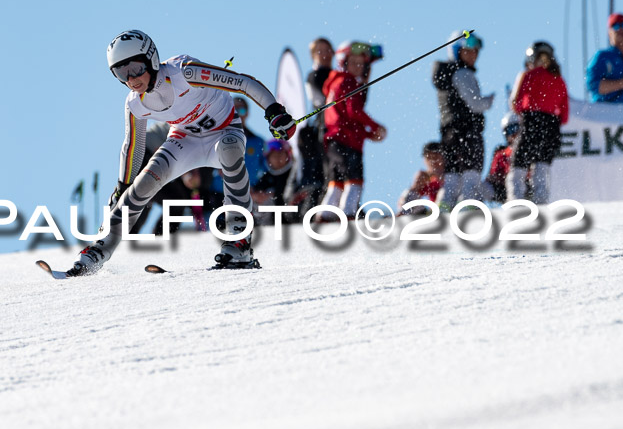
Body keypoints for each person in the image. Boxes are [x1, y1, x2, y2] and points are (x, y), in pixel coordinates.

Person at [67, 30, 296, 275]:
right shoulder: (135, 103)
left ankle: (238, 241)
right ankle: (98, 250)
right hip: (184, 140)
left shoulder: (185, 72)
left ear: (151, 59)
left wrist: (274, 110)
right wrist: (123, 186)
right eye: (121, 73)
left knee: (229, 152)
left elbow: (242, 82)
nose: (131, 79)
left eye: (135, 67)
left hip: (223, 131)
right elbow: (133, 146)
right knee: (142, 185)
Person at [318, 41, 387, 220]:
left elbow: (347, 119)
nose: (358, 67)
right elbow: (354, 111)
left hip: (334, 139)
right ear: (343, 62)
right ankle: (348, 213)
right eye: (354, 62)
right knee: (355, 179)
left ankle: (325, 214)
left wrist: (368, 134)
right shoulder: (348, 82)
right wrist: (375, 127)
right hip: (347, 141)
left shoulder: (335, 82)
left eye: (361, 63)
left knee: (337, 181)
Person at [432, 30, 494, 211]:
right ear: (456, 51)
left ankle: (444, 206)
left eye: (475, 51)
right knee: (471, 173)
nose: (473, 55)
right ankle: (468, 205)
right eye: (468, 51)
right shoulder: (463, 74)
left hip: (448, 133)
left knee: (452, 175)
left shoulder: (446, 76)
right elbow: (475, 103)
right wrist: (488, 102)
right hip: (468, 131)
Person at [508, 41, 569, 204]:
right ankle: (541, 200)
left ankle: (516, 200)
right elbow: (565, 114)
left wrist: (525, 109)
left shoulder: (528, 75)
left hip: (532, 122)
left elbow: (516, 102)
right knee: (543, 164)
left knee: (519, 161)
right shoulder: (559, 79)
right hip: (552, 126)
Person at [297, 38, 334, 212]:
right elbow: (320, 101)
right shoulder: (314, 76)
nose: (325, 54)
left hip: (337, 127)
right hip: (323, 127)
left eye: (327, 50)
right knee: (323, 170)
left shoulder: (337, 74)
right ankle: (315, 210)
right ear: (313, 55)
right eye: (320, 51)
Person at [479, 113, 521, 203]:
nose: (514, 133)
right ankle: (474, 211)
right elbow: (493, 175)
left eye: (516, 128)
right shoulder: (501, 153)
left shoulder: (529, 151)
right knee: (478, 186)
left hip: (524, 187)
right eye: (510, 130)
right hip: (504, 189)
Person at [586, 12, 623, 103]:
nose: (621, 29)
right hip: (606, 113)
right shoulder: (602, 57)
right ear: (609, 33)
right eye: (616, 26)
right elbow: (593, 85)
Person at [397, 142, 444, 216]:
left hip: (450, 209)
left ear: (442, 158)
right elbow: (411, 195)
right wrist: (416, 185)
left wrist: (439, 176)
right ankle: (403, 214)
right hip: (432, 213)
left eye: (435, 157)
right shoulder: (426, 178)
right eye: (429, 158)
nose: (433, 161)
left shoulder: (451, 175)